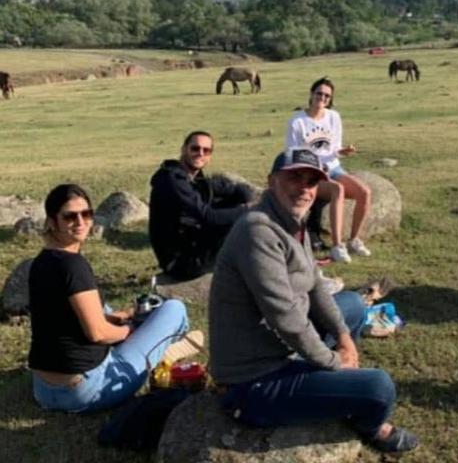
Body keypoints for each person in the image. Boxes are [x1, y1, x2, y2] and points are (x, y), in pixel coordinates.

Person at [209, 148, 418, 454]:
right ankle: (368, 423)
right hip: (253, 379)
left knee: (355, 307)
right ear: (271, 181)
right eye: (294, 177)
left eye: (311, 181)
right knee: (379, 388)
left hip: (280, 347)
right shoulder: (257, 231)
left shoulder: (292, 222)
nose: (304, 188)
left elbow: (315, 287)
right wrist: (335, 363)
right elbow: (286, 318)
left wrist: (345, 338)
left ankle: (330, 384)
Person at [28, 183, 195, 413]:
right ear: (52, 221)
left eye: (86, 214)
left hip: (44, 391)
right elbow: (97, 333)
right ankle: (160, 350)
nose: (80, 222)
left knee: (104, 308)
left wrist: (116, 316)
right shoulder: (73, 266)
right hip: (85, 390)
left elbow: (62, 316)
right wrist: (129, 331)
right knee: (174, 309)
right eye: (70, 216)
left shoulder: (41, 262)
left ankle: (147, 344)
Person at [285, 77, 372, 263]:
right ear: (311, 94)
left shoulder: (334, 117)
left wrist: (343, 151)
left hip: (333, 168)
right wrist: (315, 167)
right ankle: (337, 246)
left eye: (327, 95)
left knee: (365, 192)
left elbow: (334, 150)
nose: (322, 98)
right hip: (310, 173)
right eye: (319, 93)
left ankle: (354, 240)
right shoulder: (297, 120)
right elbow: (292, 153)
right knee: (337, 190)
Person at [149, 130, 249, 280]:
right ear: (184, 149)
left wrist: (248, 198)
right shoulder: (172, 180)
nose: (200, 153)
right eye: (195, 148)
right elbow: (207, 216)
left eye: (206, 150)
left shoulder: (194, 178)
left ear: (210, 155)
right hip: (180, 262)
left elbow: (234, 189)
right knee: (239, 219)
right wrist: (247, 209)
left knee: (236, 199)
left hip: (192, 244)